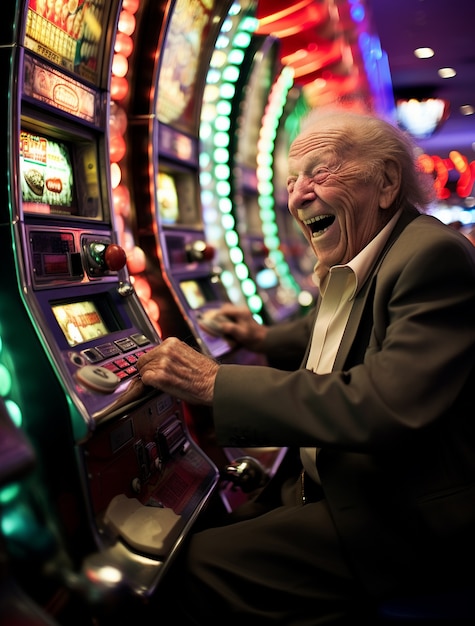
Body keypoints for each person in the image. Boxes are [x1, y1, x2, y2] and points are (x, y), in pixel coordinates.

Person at [136, 108, 475, 624]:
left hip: (402, 515)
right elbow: (327, 330)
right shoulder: (372, 252)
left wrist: (215, 381)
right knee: (195, 533)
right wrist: (258, 336)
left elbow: (384, 404)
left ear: (385, 182)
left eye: (320, 172)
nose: (297, 195)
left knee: (192, 570)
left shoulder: (433, 257)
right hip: (336, 484)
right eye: (292, 181)